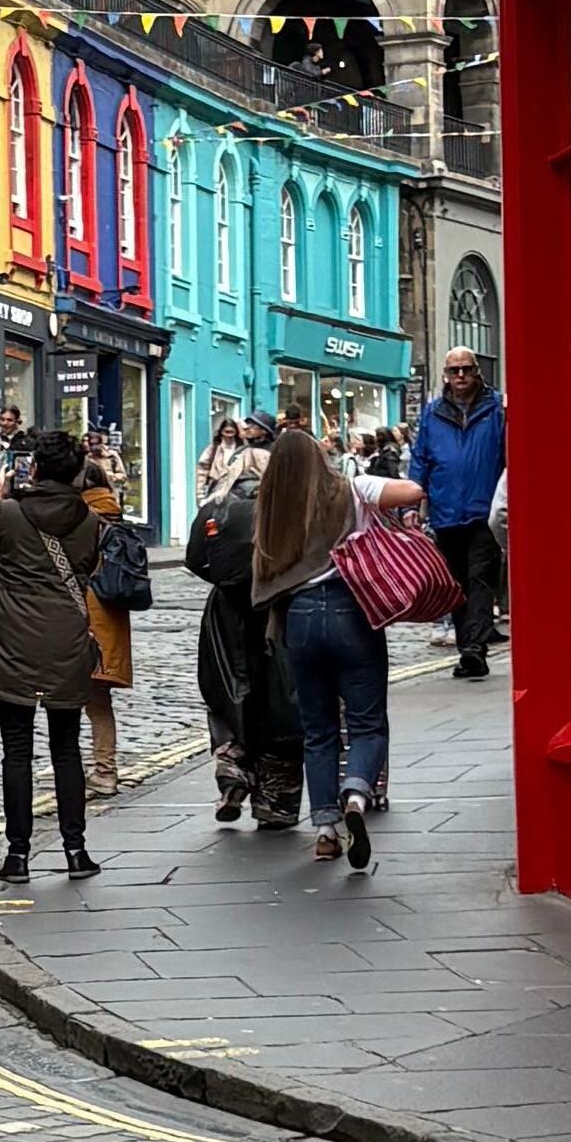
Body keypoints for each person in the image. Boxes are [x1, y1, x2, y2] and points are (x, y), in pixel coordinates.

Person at [0, 425, 103, 885]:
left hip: (13, 643)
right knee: (67, 748)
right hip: (66, 642)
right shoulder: (89, 521)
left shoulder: (9, 513)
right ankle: (76, 851)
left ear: (33, 469)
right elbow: (88, 568)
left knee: (17, 750)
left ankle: (18, 855)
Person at [251, 418, 386, 871]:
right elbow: (412, 491)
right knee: (366, 724)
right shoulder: (349, 489)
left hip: (300, 619)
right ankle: (357, 794)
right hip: (351, 612)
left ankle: (326, 830)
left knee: (318, 730)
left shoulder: (271, 508)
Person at [186, 440, 301, 829]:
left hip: (226, 614)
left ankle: (232, 767)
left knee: (228, 692)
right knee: (279, 701)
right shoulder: (285, 507)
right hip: (276, 609)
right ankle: (276, 803)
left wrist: (225, 581)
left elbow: (194, 558)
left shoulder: (215, 505)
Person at [412, 357, 507, 680]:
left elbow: (509, 455)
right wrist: (412, 503)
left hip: (485, 512)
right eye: (455, 370)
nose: (461, 375)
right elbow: (420, 459)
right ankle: (468, 647)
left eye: (467, 369)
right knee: (456, 585)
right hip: (446, 512)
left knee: (481, 580)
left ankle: (474, 648)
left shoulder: (497, 408)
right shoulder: (432, 413)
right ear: (446, 375)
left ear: (477, 371)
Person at [76, 439, 144, 803]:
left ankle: (90, 772)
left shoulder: (81, 520)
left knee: (69, 700)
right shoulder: (113, 515)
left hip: (84, 616)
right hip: (111, 618)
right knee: (99, 701)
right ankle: (105, 771)